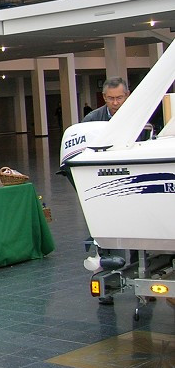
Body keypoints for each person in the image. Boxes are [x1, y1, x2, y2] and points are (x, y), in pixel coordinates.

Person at [81, 77, 130, 304]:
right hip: (103, 188)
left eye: (119, 97)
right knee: (104, 239)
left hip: (132, 186)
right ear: (104, 98)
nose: (116, 103)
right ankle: (105, 287)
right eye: (111, 98)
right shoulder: (92, 121)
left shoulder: (138, 116)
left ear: (127, 96)